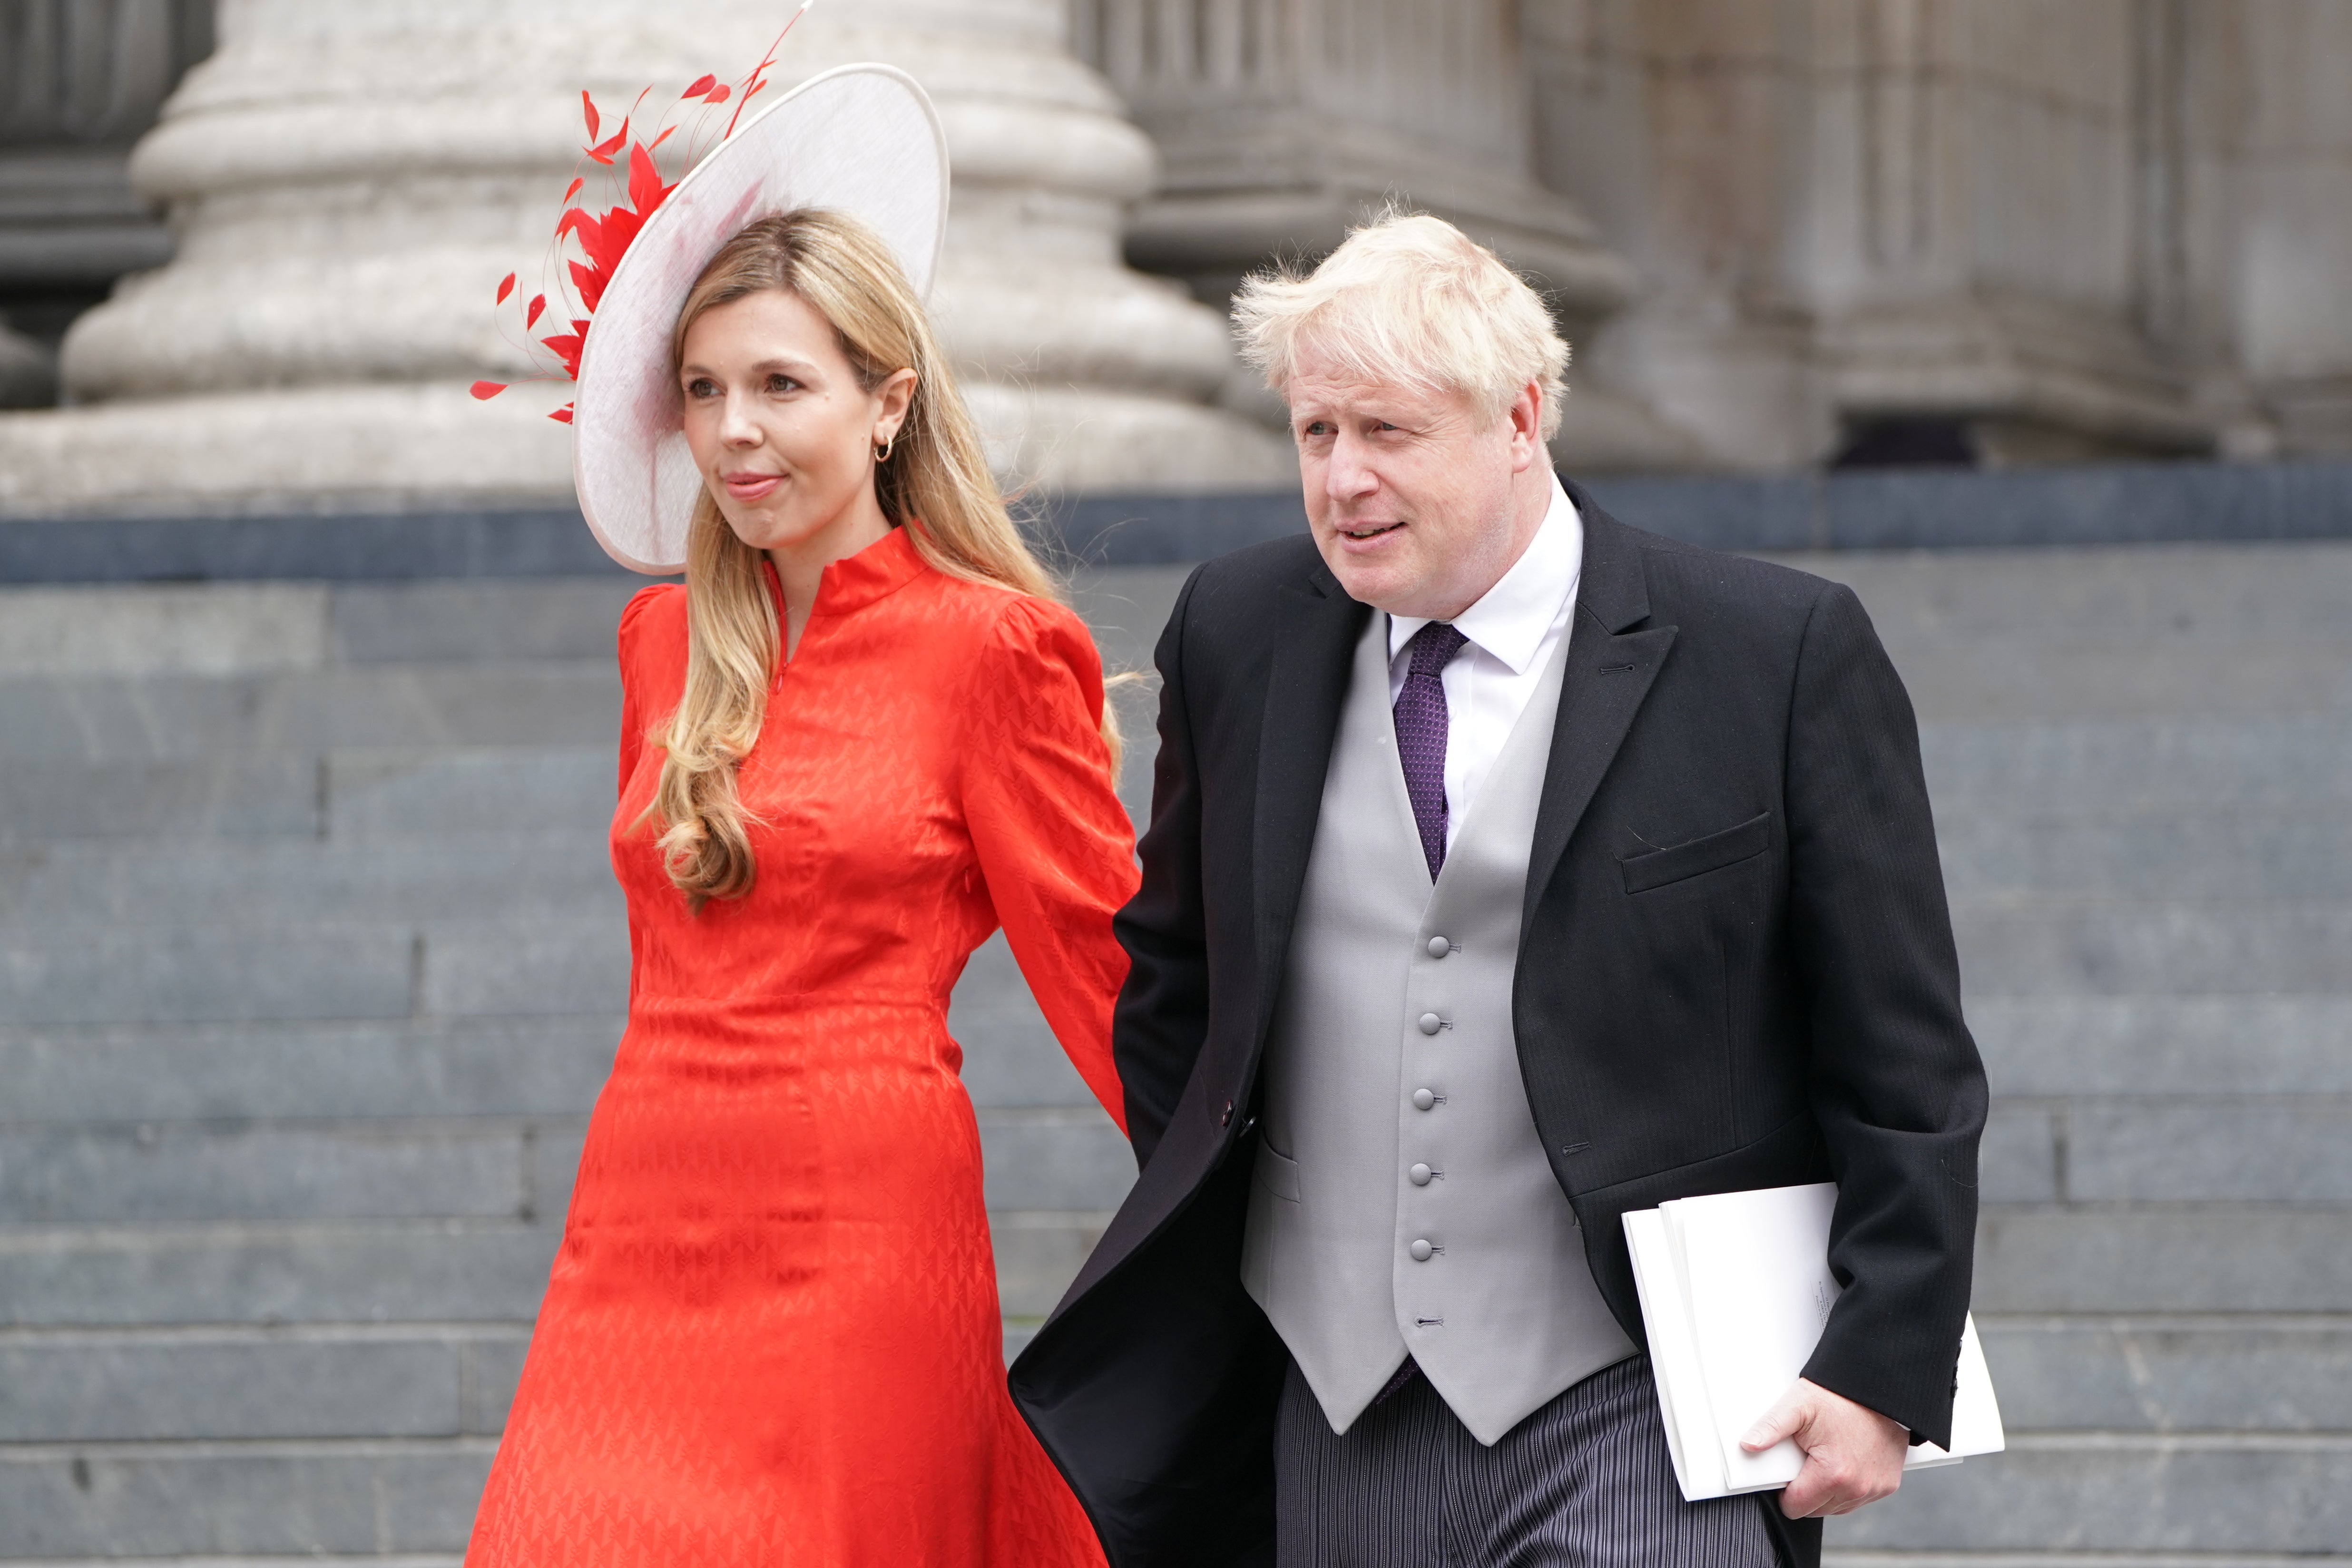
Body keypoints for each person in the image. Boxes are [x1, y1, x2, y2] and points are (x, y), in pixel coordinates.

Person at [1008, 211, 1988, 1568]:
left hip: (1641, 1398)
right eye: (1314, 434)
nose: (1341, 480)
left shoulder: (1771, 652)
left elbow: (1903, 1051)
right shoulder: (1237, 634)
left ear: (1520, 417)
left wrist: (1882, 1357)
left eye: (1388, 433)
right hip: (1333, 1401)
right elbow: (1176, 982)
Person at [465, 73, 1136, 1568]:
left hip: (860, 1222)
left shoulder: (994, 651)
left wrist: (1278, 1190)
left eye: (780, 385)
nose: (733, 433)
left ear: (888, 400)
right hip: (640, 1208)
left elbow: (1106, 970)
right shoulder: (661, 643)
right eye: (702, 392)